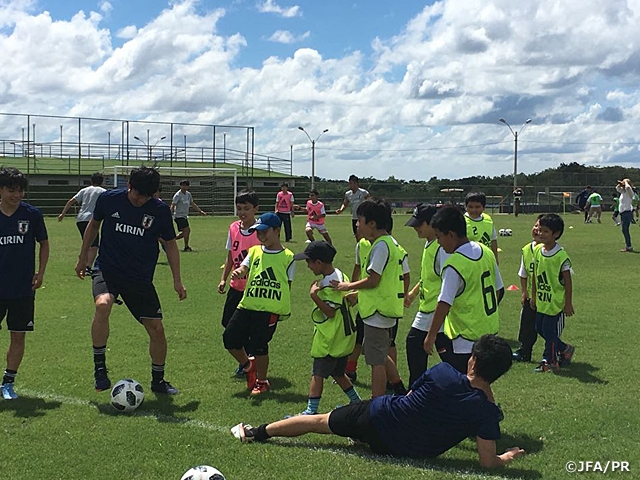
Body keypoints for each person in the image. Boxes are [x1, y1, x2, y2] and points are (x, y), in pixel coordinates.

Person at [231, 334, 525, 469]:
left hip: (378, 417)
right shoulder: (486, 413)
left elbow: (409, 397)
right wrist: (508, 455)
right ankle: (359, 438)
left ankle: (255, 432)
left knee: (319, 423)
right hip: (403, 450)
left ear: (472, 360)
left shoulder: (444, 372)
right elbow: (488, 462)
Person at [75, 166, 187, 394]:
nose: (140, 200)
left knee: (156, 329)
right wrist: (82, 258)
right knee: (102, 304)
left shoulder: (160, 210)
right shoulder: (109, 199)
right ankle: (100, 369)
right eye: (137, 194)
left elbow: (170, 244)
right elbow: (93, 225)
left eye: (147, 196)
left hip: (139, 278)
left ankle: (158, 381)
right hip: (108, 269)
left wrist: (177, 280)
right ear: (129, 186)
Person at [332, 199, 407, 398]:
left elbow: (373, 280)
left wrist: (349, 286)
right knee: (378, 352)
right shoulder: (386, 243)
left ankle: (377, 403)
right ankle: (398, 387)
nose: (357, 224)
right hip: (381, 309)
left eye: (360, 220)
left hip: (378, 311)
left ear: (372, 223)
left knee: (376, 361)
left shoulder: (381, 246)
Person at [424, 205, 504, 374]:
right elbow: (499, 289)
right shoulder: (486, 251)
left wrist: (430, 336)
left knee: (465, 386)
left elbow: (444, 303)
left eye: (439, 237)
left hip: (464, 339)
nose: (438, 243)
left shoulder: (454, 265)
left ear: (451, 235)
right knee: (480, 383)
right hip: (489, 332)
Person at [223, 212, 295, 395]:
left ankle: (262, 382)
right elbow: (244, 266)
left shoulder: (288, 256)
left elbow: (287, 285)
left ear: (277, 231)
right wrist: (239, 272)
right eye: (258, 232)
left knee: (259, 345)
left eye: (265, 232)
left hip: (269, 309)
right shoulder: (255, 251)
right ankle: (248, 366)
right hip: (248, 304)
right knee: (229, 338)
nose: (261, 236)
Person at [292, 241, 361, 415]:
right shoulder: (340, 275)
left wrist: (314, 296)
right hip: (344, 336)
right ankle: (357, 403)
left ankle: (311, 411)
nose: (308, 266)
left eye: (309, 262)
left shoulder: (331, 282)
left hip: (332, 338)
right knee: (338, 373)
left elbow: (330, 312)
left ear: (319, 263)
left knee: (318, 374)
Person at [0, 167, 49, 400]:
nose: (17, 195)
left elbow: (44, 244)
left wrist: (40, 272)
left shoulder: (32, 214)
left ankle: (8, 383)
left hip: (22, 288)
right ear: (1, 190)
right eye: (11, 190)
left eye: (20, 191)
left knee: (18, 335)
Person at [403, 204, 449, 386]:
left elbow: (447, 278)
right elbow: (428, 276)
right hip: (428, 306)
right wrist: (413, 293)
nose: (415, 228)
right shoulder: (429, 244)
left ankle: (416, 389)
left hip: (435, 308)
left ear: (432, 223)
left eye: (419, 225)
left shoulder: (441, 247)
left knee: (414, 343)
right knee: (444, 348)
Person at [217, 190, 261, 375]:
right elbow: (230, 255)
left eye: (247, 208)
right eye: (239, 208)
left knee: (247, 329)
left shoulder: (261, 230)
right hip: (236, 287)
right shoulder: (233, 227)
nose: (242, 212)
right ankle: (247, 361)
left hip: (252, 289)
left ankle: (248, 364)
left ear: (255, 209)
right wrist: (223, 279)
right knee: (227, 322)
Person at [530, 213, 575, 373]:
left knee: (550, 332)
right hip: (542, 300)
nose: (540, 234)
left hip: (555, 303)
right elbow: (535, 275)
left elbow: (568, 281)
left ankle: (550, 361)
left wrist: (568, 303)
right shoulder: (537, 251)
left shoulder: (561, 255)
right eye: (540, 230)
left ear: (556, 234)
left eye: (545, 231)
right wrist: (533, 295)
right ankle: (565, 348)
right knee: (540, 329)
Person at [57, 172, 106, 272]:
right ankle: (87, 266)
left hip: (80, 219)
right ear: (102, 181)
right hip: (92, 220)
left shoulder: (84, 190)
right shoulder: (103, 191)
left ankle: (83, 262)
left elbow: (71, 201)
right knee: (94, 245)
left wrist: (63, 214)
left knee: (87, 243)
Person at [512, 215, 544, 362]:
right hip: (531, 297)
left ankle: (557, 351)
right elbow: (523, 272)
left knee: (545, 327)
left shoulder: (551, 251)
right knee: (526, 324)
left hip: (546, 296)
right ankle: (524, 351)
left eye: (543, 229)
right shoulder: (526, 249)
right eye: (536, 226)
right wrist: (524, 292)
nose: (537, 230)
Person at [464, 192, 499, 264]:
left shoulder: (488, 219)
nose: (474, 210)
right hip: (469, 261)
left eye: (477, 207)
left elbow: (493, 240)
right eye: (470, 207)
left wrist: (495, 259)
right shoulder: (462, 221)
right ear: (466, 207)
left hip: (486, 260)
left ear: (483, 207)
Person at [171, 180, 206, 252]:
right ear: (180, 186)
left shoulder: (188, 194)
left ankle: (171, 240)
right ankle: (186, 247)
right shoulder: (177, 195)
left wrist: (200, 211)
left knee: (186, 232)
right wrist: (169, 214)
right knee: (187, 230)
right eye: (183, 185)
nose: (184, 187)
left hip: (184, 216)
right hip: (178, 216)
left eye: (186, 185)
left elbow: (192, 203)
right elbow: (173, 205)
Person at [616, 179, 635, 252]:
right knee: (624, 230)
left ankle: (629, 246)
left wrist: (626, 182)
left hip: (627, 212)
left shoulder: (630, 192)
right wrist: (620, 184)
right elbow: (617, 188)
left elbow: (628, 188)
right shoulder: (623, 192)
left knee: (625, 229)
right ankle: (628, 246)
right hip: (623, 213)